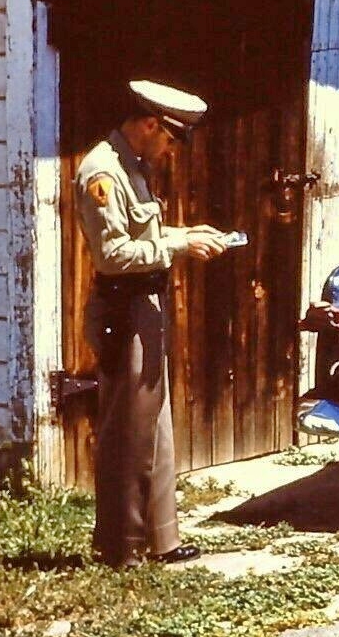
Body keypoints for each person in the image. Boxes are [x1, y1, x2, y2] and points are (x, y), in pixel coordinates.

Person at [73, 80, 229, 568]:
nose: (169, 151)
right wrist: (177, 247)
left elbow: (144, 233)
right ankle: (122, 548)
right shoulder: (102, 172)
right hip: (123, 310)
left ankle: (160, 539)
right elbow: (114, 254)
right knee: (127, 432)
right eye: (168, 139)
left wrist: (188, 233)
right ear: (149, 124)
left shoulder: (131, 166)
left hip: (145, 306)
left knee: (155, 427)